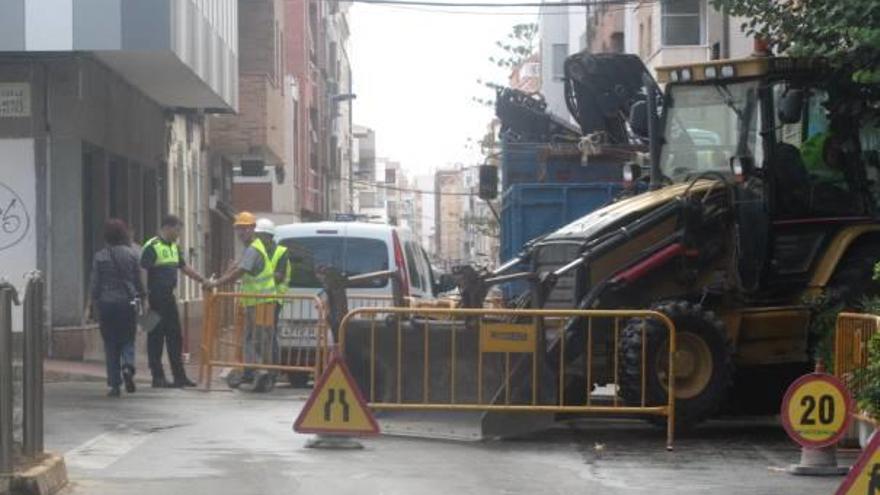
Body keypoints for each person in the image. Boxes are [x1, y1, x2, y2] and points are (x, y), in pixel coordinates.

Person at [205, 212, 277, 392]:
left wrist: (217, 283)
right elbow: (238, 267)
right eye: (238, 229)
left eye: (244, 228)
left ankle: (261, 372)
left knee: (258, 339)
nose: (241, 232)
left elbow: (241, 271)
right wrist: (226, 273)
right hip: (258, 301)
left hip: (262, 301)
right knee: (254, 338)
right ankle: (254, 371)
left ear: (253, 228)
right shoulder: (252, 247)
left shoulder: (253, 248)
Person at [141, 214, 207, 388]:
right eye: (177, 230)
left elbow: (184, 268)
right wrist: (144, 297)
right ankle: (158, 377)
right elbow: (143, 272)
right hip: (154, 298)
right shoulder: (151, 246)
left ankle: (179, 376)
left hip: (169, 297)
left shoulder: (174, 248)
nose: (179, 234)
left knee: (175, 337)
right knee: (155, 337)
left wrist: (203, 280)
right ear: (167, 227)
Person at [89, 219, 144, 397]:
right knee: (128, 339)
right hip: (127, 303)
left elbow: (95, 284)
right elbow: (137, 280)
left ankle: (114, 385)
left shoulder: (100, 256)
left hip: (107, 304)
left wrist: (94, 303)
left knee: (110, 344)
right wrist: (142, 296)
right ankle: (128, 366)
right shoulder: (132, 255)